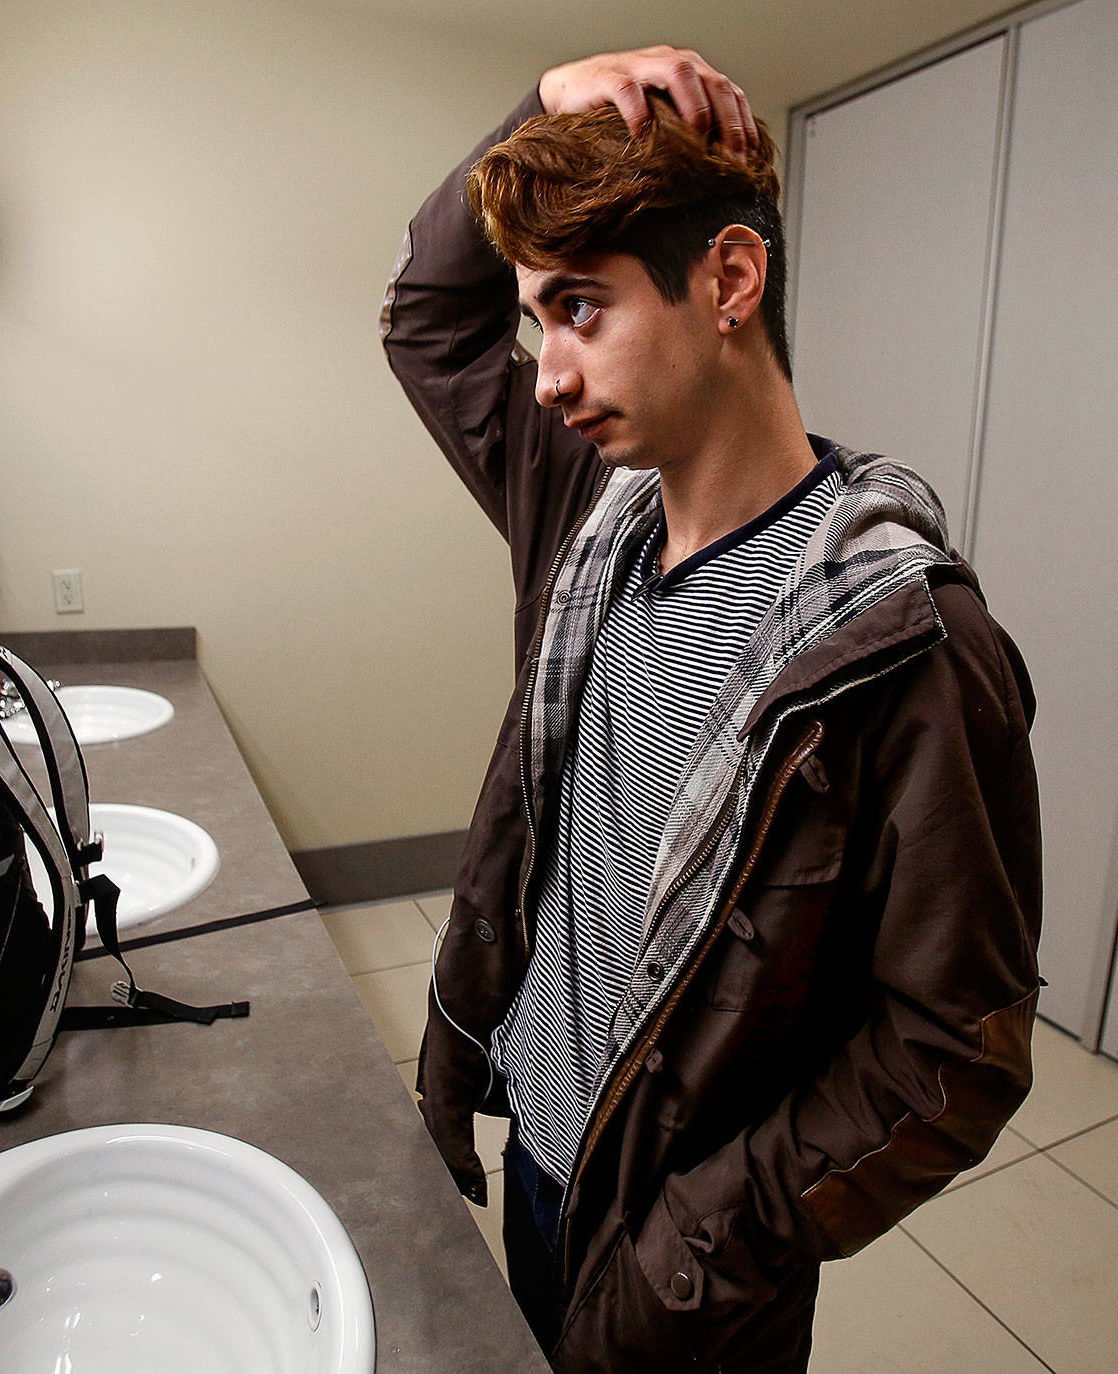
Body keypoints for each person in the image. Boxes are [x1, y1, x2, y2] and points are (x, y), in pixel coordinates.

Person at [381, 45, 1044, 1372]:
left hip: (692, 1261)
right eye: (538, 324)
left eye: (582, 310)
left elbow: (952, 1048)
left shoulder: (906, 643)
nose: (551, 374)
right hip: (544, 1161)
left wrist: (708, 1239)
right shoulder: (584, 515)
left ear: (730, 281)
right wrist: (548, 98)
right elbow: (426, 319)